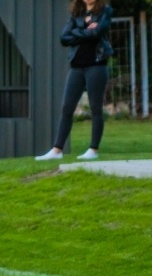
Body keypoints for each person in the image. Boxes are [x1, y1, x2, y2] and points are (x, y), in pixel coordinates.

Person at [36, 0, 113, 161]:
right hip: (76, 67)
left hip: (96, 65)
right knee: (67, 108)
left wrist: (77, 32)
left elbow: (97, 33)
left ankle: (93, 150)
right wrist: (86, 29)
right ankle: (57, 150)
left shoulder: (105, 11)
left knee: (95, 108)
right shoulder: (76, 14)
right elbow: (64, 38)